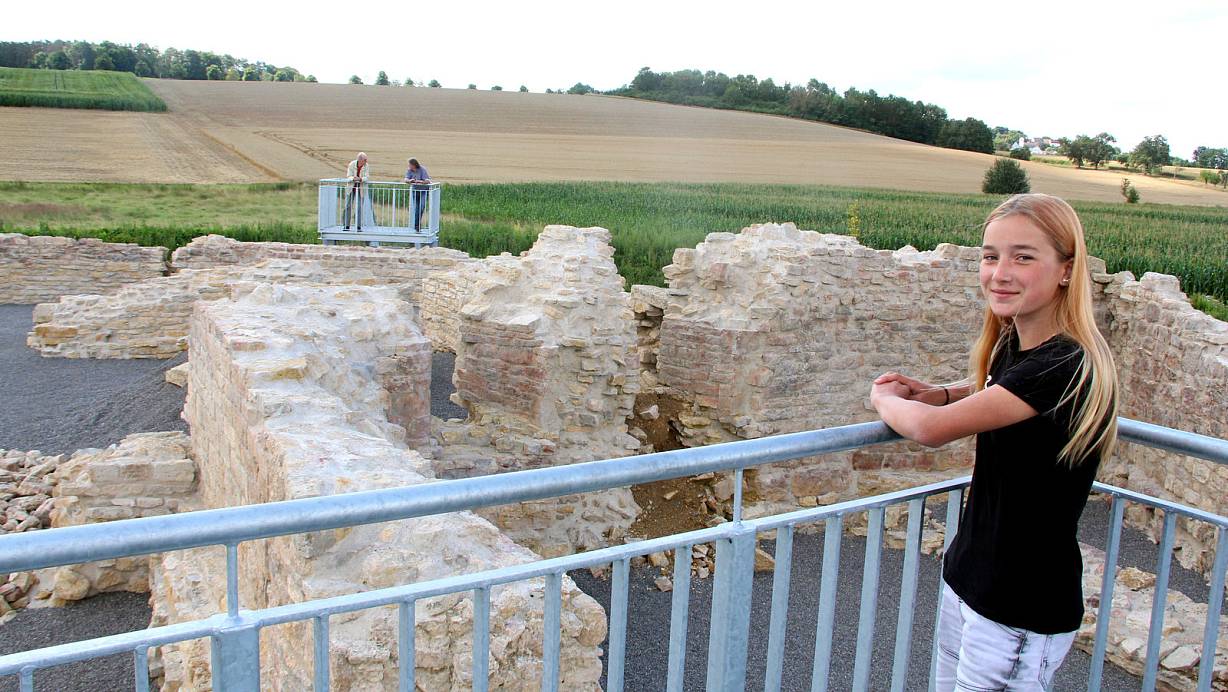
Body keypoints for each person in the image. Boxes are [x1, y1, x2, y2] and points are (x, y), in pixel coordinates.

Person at [869, 193, 1119, 691]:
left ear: (1066, 270)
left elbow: (930, 430)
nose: (1000, 272)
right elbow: (1000, 391)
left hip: (1018, 605)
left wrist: (883, 397)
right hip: (971, 581)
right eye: (990, 256)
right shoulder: (1017, 344)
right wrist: (941, 392)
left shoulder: (1066, 364)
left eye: (1023, 257)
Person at [344, 152, 370, 231]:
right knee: (348, 206)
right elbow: (348, 176)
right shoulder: (352, 164)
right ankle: (346, 225)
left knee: (359, 207)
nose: (366, 161)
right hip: (351, 188)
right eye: (365, 160)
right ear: (360, 160)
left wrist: (361, 179)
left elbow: (367, 177)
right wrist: (353, 178)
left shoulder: (366, 166)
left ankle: (358, 226)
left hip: (361, 189)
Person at [403, 158, 431, 231]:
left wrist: (420, 182)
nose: (408, 166)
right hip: (415, 191)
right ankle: (417, 225)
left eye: (409, 164)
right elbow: (405, 179)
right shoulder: (409, 170)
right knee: (416, 208)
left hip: (423, 191)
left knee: (421, 207)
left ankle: (417, 224)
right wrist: (409, 180)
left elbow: (428, 181)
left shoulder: (422, 169)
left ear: (414, 164)